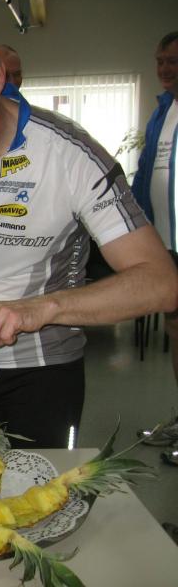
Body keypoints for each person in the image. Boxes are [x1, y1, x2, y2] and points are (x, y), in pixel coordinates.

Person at [0, 1, 178, 448]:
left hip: (46, 368)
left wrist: (40, 309)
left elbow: (161, 282)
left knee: (40, 491)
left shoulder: (70, 155)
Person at [131, 31, 178, 450]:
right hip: (167, 247)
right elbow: (146, 174)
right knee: (176, 331)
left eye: (173, 61)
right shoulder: (163, 111)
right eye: (160, 60)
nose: (164, 69)